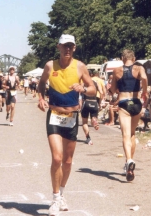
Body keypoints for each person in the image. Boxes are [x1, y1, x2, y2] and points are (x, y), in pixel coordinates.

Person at [37, 34, 95, 216]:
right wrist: (40, 98)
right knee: (56, 158)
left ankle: (61, 194)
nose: (67, 49)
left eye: (70, 46)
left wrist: (83, 89)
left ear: (74, 48)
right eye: (64, 46)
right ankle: (55, 200)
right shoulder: (49, 66)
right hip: (54, 115)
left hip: (71, 117)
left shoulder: (80, 66)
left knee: (67, 161)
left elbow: (93, 89)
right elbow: (41, 84)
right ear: (58, 47)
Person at [109, 49, 147, 182]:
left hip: (124, 102)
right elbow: (144, 78)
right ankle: (129, 165)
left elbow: (113, 89)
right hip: (136, 102)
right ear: (134, 57)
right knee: (132, 134)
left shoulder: (117, 71)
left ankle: (129, 160)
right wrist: (145, 92)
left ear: (122, 58)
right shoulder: (139, 68)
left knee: (125, 135)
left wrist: (115, 90)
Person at [81, 72, 103, 145]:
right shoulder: (96, 83)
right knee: (93, 116)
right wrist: (100, 102)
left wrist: (80, 104)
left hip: (86, 102)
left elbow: (80, 94)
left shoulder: (84, 83)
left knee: (84, 122)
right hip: (94, 102)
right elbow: (101, 92)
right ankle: (94, 121)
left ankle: (88, 138)